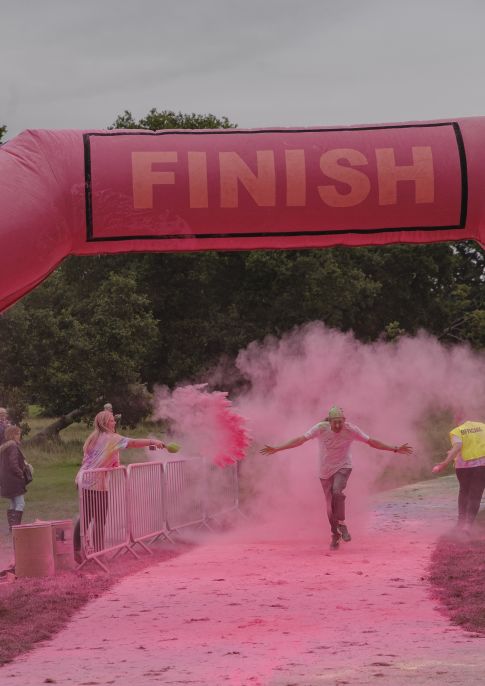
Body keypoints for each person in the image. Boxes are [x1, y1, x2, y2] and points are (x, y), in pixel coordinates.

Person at [260, 405, 413, 549]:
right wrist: (278, 448)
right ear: (329, 421)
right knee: (329, 508)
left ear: (344, 421)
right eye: (335, 423)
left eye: (340, 422)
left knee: (337, 491)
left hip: (343, 466)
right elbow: (300, 440)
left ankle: (342, 523)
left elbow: (372, 442)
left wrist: (395, 448)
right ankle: (335, 533)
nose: (338, 426)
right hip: (325, 471)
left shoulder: (351, 429)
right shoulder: (320, 428)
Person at [73, 410, 165, 561]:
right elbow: (133, 443)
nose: (114, 422)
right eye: (111, 420)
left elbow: (101, 456)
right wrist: (152, 442)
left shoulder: (94, 438)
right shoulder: (111, 438)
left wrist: (113, 462)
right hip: (93, 482)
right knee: (95, 519)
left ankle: (86, 551)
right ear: (104, 423)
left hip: (87, 480)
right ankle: (93, 553)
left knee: (89, 518)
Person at [432, 419, 485, 536]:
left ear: (457, 420)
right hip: (482, 466)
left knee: (464, 492)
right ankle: (468, 525)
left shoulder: (457, 431)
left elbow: (457, 447)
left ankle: (461, 522)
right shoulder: (483, 427)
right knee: (476, 495)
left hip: (463, 467)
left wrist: (444, 463)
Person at [0, 424, 30, 531]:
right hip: (13, 479)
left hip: (6, 479)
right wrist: (20, 473)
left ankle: (12, 527)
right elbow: (13, 464)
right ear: (13, 435)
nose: (19, 436)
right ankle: (16, 528)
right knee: (20, 503)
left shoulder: (5, 446)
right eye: (18, 434)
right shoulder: (12, 446)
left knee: (13, 502)